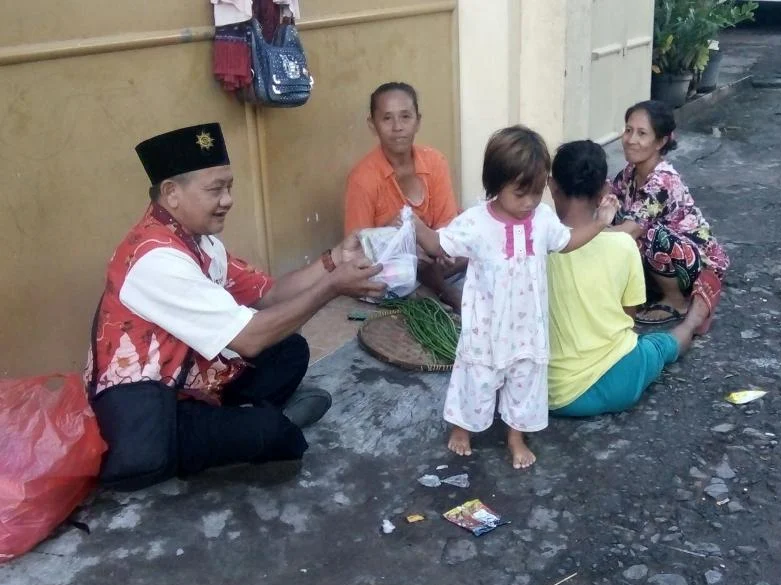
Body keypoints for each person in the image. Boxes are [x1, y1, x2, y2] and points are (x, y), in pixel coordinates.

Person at [86, 123, 385, 491]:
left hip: (194, 382)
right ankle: (264, 424)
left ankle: (237, 423)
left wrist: (333, 261)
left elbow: (269, 294)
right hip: (154, 414)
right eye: (215, 189)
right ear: (171, 193)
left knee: (290, 349)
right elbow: (250, 339)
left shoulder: (199, 241)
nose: (227, 199)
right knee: (275, 436)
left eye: (229, 187)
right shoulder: (156, 259)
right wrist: (332, 287)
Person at [414, 126, 616, 468]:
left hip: (527, 327)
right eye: (520, 193)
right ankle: (462, 427)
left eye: (537, 192)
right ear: (496, 184)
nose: (529, 203)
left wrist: (599, 223)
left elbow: (565, 243)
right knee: (476, 377)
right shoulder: (476, 222)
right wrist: (411, 222)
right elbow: (437, 245)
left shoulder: (543, 219)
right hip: (486, 328)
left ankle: (515, 436)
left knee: (525, 379)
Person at [548, 140, 710, 418]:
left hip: (553, 394)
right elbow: (629, 318)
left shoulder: (534, 245)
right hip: (620, 381)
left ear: (551, 185)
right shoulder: (623, 246)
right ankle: (694, 319)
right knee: (660, 345)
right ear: (604, 191)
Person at [344, 82, 466, 311]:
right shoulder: (362, 178)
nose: (397, 127)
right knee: (411, 264)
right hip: (392, 267)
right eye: (387, 118)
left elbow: (448, 226)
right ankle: (445, 293)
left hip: (436, 256)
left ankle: (429, 285)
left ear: (417, 121)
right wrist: (397, 239)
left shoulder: (434, 161)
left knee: (474, 238)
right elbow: (357, 252)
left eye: (405, 117)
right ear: (373, 125)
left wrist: (433, 245)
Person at [610, 100, 728, 332]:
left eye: (642, 133)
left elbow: (630, 231)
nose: (631, 140)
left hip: (698, 262)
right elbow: (607, 198)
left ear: (661, 141)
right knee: (614, 211)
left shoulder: (663, 181)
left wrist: (578, 237)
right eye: (628, 130)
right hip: (671, 259)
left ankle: (676, 300)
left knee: (648, 233)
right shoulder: (631, 172)